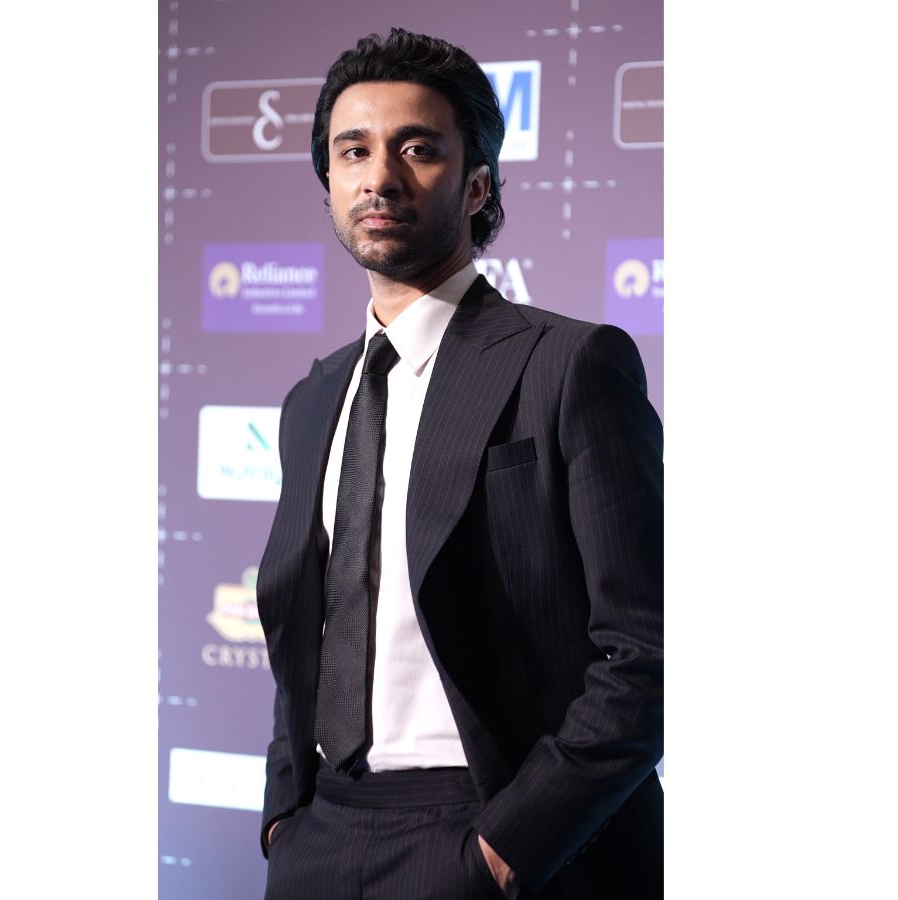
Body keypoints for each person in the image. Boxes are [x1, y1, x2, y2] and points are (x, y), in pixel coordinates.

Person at [255, 27, 663, 899]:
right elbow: (303, 634)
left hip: (491, 826)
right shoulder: (312, 400)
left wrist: (506, 848)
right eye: (353, 151)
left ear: (477, 184)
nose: (380, 176)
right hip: (320, 833)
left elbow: (648, 648)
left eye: (418, 149)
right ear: (329, 183)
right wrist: (286, 813)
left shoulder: (570, 365)